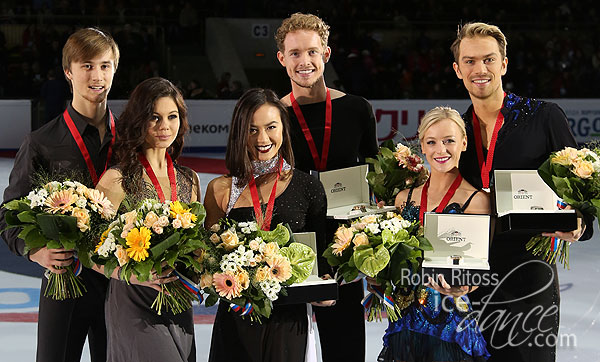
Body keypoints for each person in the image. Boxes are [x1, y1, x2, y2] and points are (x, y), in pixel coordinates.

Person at [452, 22, 593, 361]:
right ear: (457, 69)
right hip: (472, 274)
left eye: (488, 59)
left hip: (531, 273)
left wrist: (581, 222)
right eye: (469, 61)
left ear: (504, 63)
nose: (479, 69)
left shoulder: (544, 117)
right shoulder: (454, 131)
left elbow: (581, 188)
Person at [0, 28, 119, 362]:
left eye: (106, 66)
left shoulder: (128, 140)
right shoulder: (41, 142)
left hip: (120, 284)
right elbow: (8, 213)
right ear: (69, 72)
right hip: (66, 281)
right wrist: (35, 251)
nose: (98, 76)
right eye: (87, 66)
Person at [275, 13, 378, 362]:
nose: (304, 62)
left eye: (312, 52)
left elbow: (375, 180)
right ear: (282, 58)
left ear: (327, 54)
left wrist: (374, 247)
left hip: (346, 249)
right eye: (295, 53)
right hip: (290, 250)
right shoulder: (274, 117)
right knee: (287, 351)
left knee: (345, 351)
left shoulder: (356, 110)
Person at [204, 88, 332, 362]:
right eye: (251, 130)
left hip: (289, 322)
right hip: (237, 319)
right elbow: (208, 261)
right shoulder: (221, 189)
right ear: (239, 133)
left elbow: (321, 261)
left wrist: (325, 290)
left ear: (284, 129)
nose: (262, 139)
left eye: (271, 127)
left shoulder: (308, 187)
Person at [94, 77, 199, 362]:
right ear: (139, 120)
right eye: (155, 117)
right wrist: (128, 274)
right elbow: (89, 248)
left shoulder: (190, 179)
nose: (165, 126)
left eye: (172, 117)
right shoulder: (116, 179)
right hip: (133, 299)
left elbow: (198, 244)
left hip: (177, 298)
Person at [377, 106, 491, 361]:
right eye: (432, 142)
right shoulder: (403, 198)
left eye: (449, 141)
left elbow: (480, 267)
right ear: (422, 146)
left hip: (449, 323)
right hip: (406, 321)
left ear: (463, 143)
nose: (441, 150)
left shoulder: (477, 200)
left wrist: (466, 287)